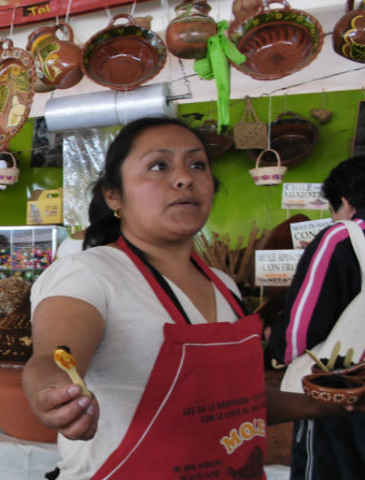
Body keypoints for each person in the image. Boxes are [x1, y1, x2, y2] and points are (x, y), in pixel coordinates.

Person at [22, 117, 356, 480]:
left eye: (197, 164)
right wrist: (54, 393)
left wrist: (326, 405)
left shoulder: (224, 285)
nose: (184, 178)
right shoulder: (90, 273)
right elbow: (52, 357)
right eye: (158, 165)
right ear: (114, 195)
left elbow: (232, 403)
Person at [266, 156, 365, 479]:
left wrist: (276, 346)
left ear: (346, 204)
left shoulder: (342, 238)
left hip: (342, 398)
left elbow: (301, 332)